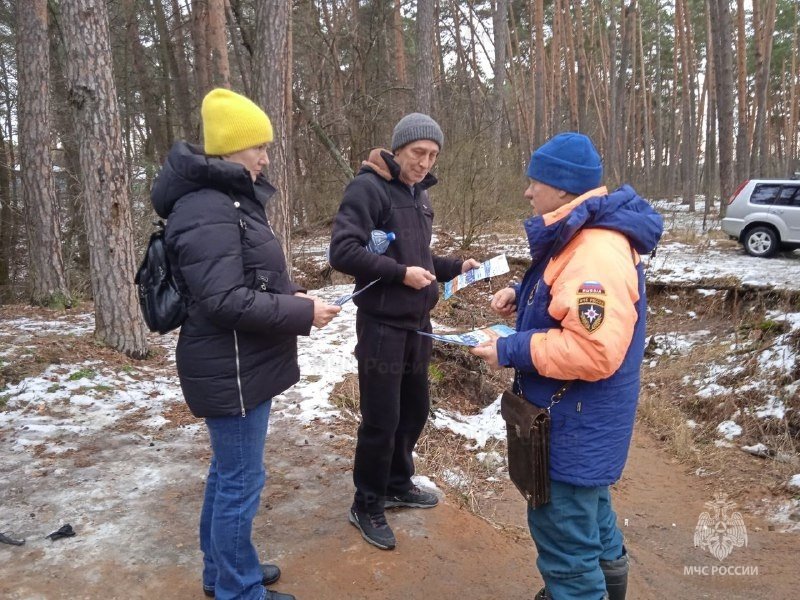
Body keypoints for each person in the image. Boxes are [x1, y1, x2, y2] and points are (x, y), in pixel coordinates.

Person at [150, 88, 341, 600]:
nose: (265, 156)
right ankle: (238, 589)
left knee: (229, 473)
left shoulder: (228, 201)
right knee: (240, 481)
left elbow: (243, 281)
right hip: (229, 366)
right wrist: (302, 312)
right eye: (257, 146)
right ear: (231, 149)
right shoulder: (206, 208)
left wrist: (289, 294)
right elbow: (223, 301)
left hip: (240, 361)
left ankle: (224, 572)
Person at [471, 132, 663, 600]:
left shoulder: (595, 249)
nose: (527, 191)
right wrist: (524, 295)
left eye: (534, 181)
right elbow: (568, 290)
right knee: (592, 520)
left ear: (561, 188)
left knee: (565, 542)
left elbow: (594, 353)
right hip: (583, 424)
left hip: (571, 428)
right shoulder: (579, 231)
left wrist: (511, 349)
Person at [328, 113, 480, 550]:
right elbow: (343, 251)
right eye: (418, 153)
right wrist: (398, 274)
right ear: (398, 149)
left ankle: (397, 482)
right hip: (381, 324)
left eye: (432, 155)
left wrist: (455, 267)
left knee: (415, 410)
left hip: (419, 324)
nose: (425, 163)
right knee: (381, 419)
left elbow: (420, 257)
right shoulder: (368, 189)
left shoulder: (419, 196)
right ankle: (367, 502)